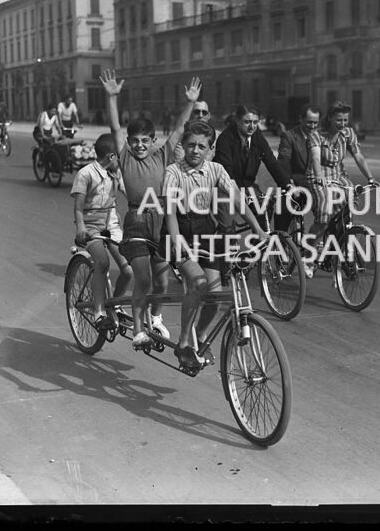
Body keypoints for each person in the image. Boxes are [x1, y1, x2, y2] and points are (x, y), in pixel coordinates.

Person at [99, 68, 201, 348]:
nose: (140, 145)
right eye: (135, 141)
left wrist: (190, 102)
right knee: (142, 278)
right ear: (129, 144)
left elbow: (180, 129)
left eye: (145, 141)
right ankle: (139, 330)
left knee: (163, 281)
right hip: (136, 219)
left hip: (161, 221)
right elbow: (115, 128)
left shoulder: (162, 155)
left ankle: (155, 318)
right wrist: (112, 98)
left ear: (154, 141)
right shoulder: (125, 157)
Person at [162, 121, 268, 370]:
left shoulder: (216, 170)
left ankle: (200, 336)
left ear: (210, 149)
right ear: (183, 146)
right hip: (178, 229)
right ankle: (184, 342)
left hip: (205, 232)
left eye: (202, 146)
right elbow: (169, 211)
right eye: (190, 145)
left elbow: (238, 200)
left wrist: (258, 228)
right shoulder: (173, 172)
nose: (195, 151)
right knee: (198, 283)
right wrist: (177, 240)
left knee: (215, 295)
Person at [306, 101, 378, 271]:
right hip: (319, 177)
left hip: (339, 176)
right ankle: (308, 256)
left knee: (351, 203)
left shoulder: (348, 133)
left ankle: (339, 244)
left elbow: (358, 156)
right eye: (339, 120)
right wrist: (319, 176)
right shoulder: (317, 135)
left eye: (345, 120)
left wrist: (370, 177)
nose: (343, 124)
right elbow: (316, 158)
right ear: (330, 118)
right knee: (324, 215)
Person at [71, 133, 133, 331]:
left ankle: (114, 303)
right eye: (120, 155)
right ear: (111, 156)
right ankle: (99, 312)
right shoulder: (85, 174)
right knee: (103, 262)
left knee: (128, 269)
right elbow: (78, 208)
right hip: (90, 225)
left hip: (111, 225)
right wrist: (81, 228)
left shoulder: (116, 174)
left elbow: (132, 195)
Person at [212, 104, 292, 233]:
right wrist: (238, 193)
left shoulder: (257, 136)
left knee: (265, 206)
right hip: (224, 187)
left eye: (255, 122)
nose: (252, 126)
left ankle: (258, 244)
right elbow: (226, 171)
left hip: (247, 186)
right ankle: (225, 245)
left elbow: (271, 161)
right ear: (237, 121)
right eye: (247, 122)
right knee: (228, 228)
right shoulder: (225, 139)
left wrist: (287, 184)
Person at [275, 104, 320, 236]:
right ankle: (281, 243)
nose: (313, 126)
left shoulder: (322, 136)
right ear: (301, 119)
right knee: (283, 209)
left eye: (315, 123)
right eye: (309, 122)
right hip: (296, 183)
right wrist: (289, 184)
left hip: (317, 186)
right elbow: (283, 161)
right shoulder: (289, 136)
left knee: (335, 210)